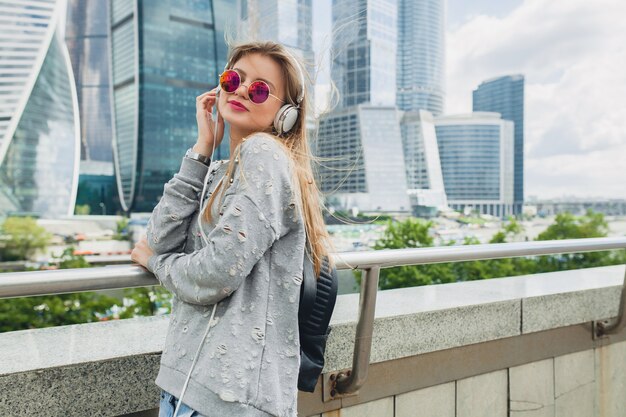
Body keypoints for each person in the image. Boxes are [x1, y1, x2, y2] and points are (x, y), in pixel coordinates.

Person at [131, 40, 334, 417]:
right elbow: (158, 239)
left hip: (227, 397)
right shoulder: (224, 170)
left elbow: (215, 273)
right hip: (189, 387)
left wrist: (156, 265)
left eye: (259, 89)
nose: (241, 89)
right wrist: (203, 148)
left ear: (286, 114)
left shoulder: (264, 155)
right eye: (233, 78)